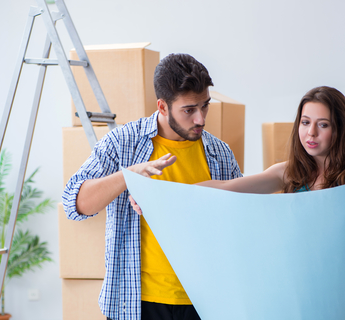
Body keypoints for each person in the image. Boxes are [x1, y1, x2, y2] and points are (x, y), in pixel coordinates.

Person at [180, 86, 345, 320]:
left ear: (339, 128)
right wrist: (165, 193)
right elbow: (225, 188)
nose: (311, 133)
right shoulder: (289, 171)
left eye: (323, 124)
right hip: (303, 294)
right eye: (305, 122)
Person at [62, 53, 242, 320]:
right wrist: (128, 176)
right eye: (189, 110)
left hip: (205, 301)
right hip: (137, 303)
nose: (200, 119)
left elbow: (239, 220)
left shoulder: (219, 152)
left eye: (205, 106)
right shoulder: (124, 142)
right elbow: (73, 204)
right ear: (162, 106)